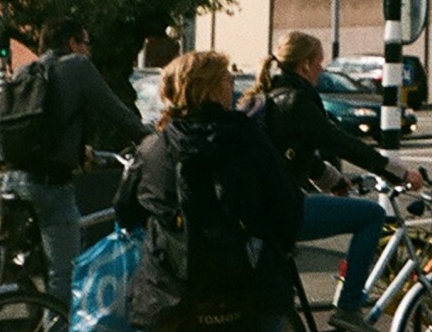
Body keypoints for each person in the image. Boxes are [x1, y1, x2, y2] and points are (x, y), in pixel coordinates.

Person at [243, 31, 423, 332]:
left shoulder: (267, 98)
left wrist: (334, 181)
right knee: (371, 215)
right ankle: (349, 307)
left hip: (258, 209)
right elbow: (342, 143)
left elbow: (294, 153)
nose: (322, 70)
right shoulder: (297, 101)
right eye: (320, 63)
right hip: (282, 210)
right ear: (304, 66)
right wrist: (400, 172)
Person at [117, 51, 302, 332]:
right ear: (214, 88)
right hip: (246, 290)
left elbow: (125, 211)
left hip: (171, 296)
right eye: (228, 80)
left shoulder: (153, 148)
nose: (233, 86)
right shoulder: (249, 139)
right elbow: (287, 205)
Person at [1, 16, 148, 308]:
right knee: (64, 276)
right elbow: (117, 113)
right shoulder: (77, 67)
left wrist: (79, 148)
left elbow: (39, 128)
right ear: (72, 44)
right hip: (49, 186)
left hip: (14, 180)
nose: (89, 51)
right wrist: (156, 138)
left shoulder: (25, 71)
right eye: (86, 44)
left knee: (33, 266)